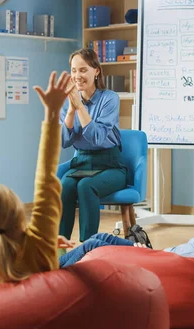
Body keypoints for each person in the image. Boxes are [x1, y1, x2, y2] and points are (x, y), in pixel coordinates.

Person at [57, 99, 194, 267]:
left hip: (156, 261)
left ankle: (52, 272)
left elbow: (176, 262)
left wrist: (144, 253)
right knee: (100, 241)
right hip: (157, 255)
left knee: (97, 242)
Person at [0, 71, 73, 287]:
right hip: (57, 289)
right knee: (99, 243)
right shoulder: (38, 242)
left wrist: (49, 241)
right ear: (19, 213)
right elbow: (46, 178)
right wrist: (52, 113)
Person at [59, 48, 127, 242]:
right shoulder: (69, 101)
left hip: (110, 165)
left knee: (87, 186)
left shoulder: (109, 98)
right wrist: (72, 110)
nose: (77, 76)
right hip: (81, 162)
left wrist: (80, 107)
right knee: (65, 185)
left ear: (96, 71)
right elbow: (65, 141)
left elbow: (97, 138)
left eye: (82, 70)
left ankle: (89, 245)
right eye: (73, 70)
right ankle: (60, 244)